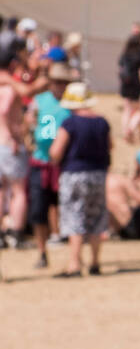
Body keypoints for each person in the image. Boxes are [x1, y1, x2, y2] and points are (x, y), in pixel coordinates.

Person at [48, 83, 111, 277]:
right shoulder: (102, 122)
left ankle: (74, 264)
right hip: (98, 174)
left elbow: (56, 151)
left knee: (74, 216)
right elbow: (110, 147)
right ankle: (95, 262)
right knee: (96, 217)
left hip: (74, 174)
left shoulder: (71, 123)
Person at [26, 62, 75, 267]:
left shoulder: (73, 104)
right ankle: (42, 252)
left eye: (63, 82)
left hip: (65, 163)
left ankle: (71, 254)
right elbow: (29, 119)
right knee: (38, 209)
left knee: (66, 207)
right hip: (41, 161)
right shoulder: (40, 100)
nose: (60, 86)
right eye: (57, 82)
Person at [0, 55, 31, 248]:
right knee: (19, 191)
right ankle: (16, 233)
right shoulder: (10, 89)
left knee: (2, 190)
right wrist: (13, 135)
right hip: (9, 144)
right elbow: (4, 111)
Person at [118, 32, 140, 144]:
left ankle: (125, 133)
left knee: (127, 110)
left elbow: (120, 70)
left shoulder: (124, 55)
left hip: (125, 85)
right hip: (136, 86)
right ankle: (130, 129)